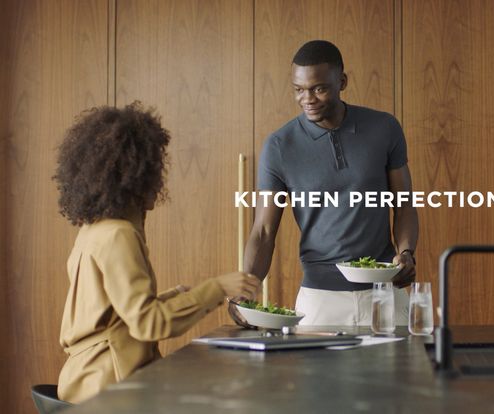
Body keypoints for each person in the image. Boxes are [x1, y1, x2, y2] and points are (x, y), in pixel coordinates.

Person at [53, 102, 260, 403]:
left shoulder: (93, 230)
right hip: (111, 390)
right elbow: (149, 324)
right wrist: (218, 288)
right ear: (136, 175)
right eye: (155, 169)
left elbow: (113, 317)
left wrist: (174, 297)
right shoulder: (119, 235)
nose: (159, 181)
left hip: (84, 381)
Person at [240, 40, 419, 325]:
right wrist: (244, 292)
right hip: (320, 300)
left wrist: (406, 252)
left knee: (398, 370)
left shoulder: (384, 127)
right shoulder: (279, 145)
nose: (307, 99)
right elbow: (263, 231)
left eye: (318, 88)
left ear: (342, 82)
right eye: (299, 90)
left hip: (385, 295)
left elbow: (405, 205)